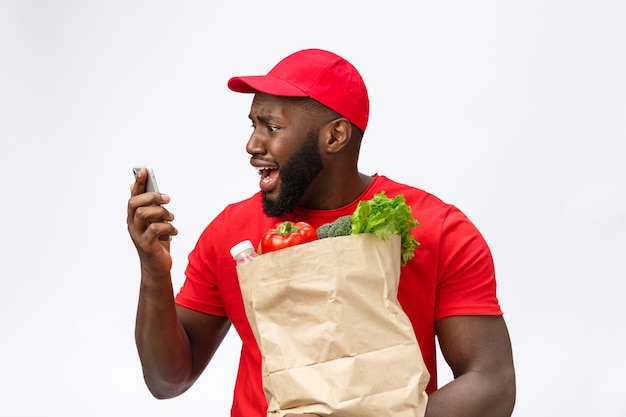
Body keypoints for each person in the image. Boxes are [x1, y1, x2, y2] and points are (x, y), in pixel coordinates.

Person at [127, 48, 516, 417]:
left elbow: (491, 382)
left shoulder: (437, 228)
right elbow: (167, 381)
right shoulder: (230, 232)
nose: (252, 144)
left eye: (272, 127)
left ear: (335, 136)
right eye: (253, 125)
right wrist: (154, 271)